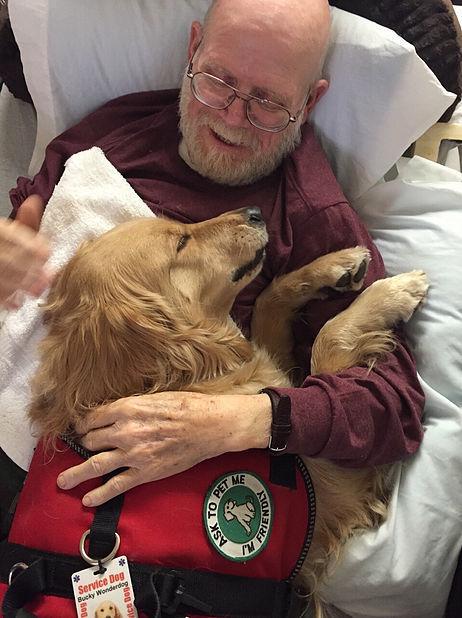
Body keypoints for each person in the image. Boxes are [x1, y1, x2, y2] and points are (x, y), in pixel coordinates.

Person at [0, 0, 424, 512]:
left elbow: (392, 409)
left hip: (147, 515)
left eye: (267, 102)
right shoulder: (118, 126)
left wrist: (239, 421)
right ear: (192, 49)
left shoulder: (311, 214)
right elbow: (34, 213)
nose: (232, 116)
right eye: (219, 81)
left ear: (309, 103)